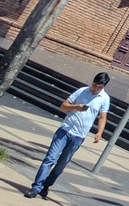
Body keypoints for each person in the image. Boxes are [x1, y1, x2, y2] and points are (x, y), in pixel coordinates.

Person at [25, 71, 111, 199]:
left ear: (104, 87)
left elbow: (103, 117)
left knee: (61, 165)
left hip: (79, 136)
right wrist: (76, 107)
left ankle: (46, 185)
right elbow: (63, 106)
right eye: (95, 85)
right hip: (65, 130)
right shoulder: (81, 91)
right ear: (92, 82)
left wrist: (99, 132)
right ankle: (36, 187)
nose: (96, 89)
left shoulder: (104, 98)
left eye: (100, 87)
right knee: (50, 158)